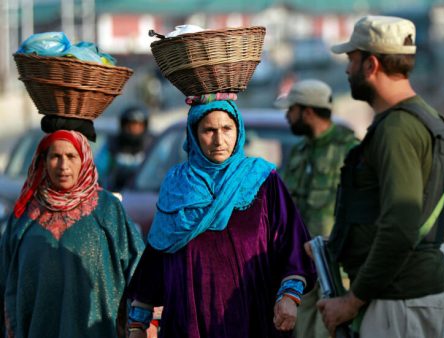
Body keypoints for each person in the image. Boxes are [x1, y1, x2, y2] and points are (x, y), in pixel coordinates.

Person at [317, 16, 444, 337]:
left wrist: (352, 301)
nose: (346, 70)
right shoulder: (424, 118)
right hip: (408, 294)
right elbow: (441, 221)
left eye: (351, 60)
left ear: (370, 64)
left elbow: (400, 224)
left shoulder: (397, 130)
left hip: (399, 300)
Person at [126, 97, 316, 338]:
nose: (219, 140)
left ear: (238, 131)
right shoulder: (177, 186)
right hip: (188, 323)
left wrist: (289, 296)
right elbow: (157, 254)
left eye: (227, 129)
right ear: (193, 135)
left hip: (251, 321)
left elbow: (292, 242)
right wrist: (138, 323)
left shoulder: (263, 181)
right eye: (209, 130)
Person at [0, 121, 144, 337]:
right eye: (55, 156)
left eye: (71, 156)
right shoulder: (24, 216)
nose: (63, 166)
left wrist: (139, 324)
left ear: (84, 160)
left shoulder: (107, 209)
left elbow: (141, 271)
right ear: (44, 161)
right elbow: (4, 280)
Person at [275, 79, 358, 338]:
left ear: (308, 112)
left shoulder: (349, 150)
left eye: (292, 110)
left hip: (335, 270)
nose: (287, 116)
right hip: (300, 268)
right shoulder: (299, 152)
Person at [96, 106, 154, 191]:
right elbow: (97, 171)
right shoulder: (112, 145)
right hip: (116, 196)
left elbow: (161, 170)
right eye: (130, 125)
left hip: (144, 195)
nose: (134, 129)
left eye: (138, 126)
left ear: (144, 126)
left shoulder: (152, 146)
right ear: (123, 125)